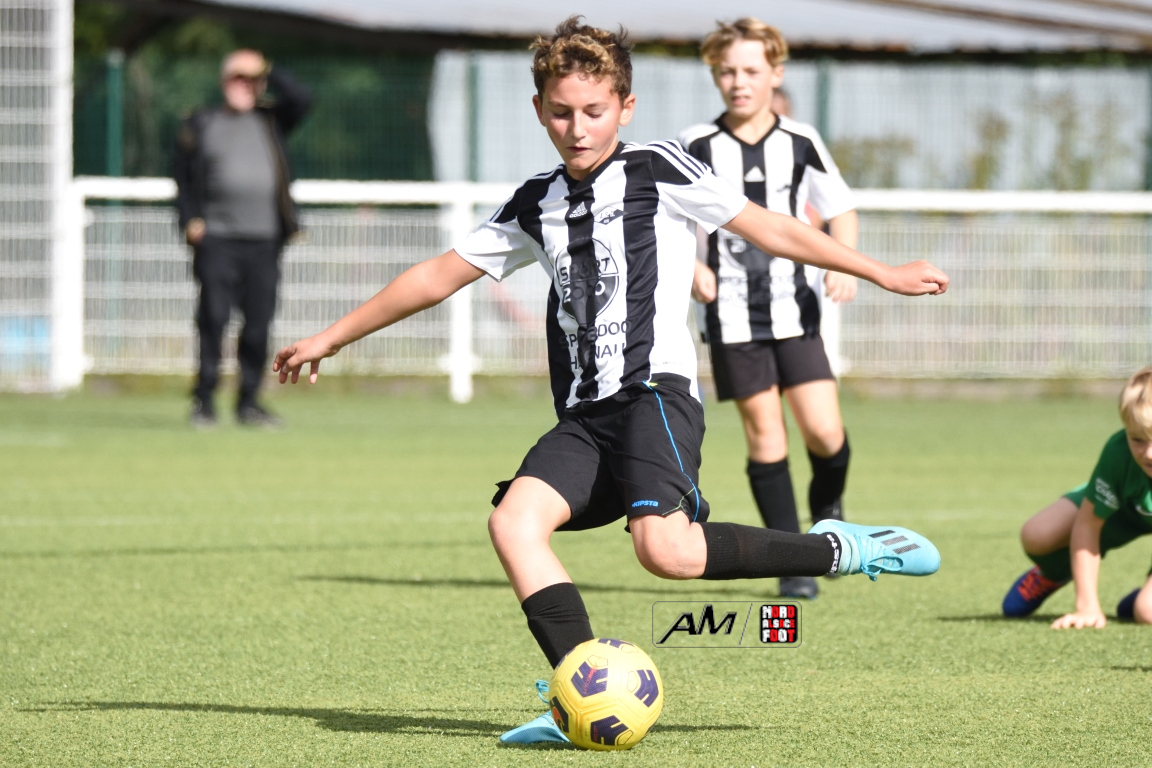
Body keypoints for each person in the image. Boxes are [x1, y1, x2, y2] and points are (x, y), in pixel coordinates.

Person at [272, 17, 947, 746]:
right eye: (561, 112)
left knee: (666, 552)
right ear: (540, 110)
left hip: (655, 395)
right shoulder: (534, 202)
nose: (577, 128)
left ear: (625, 107)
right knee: (513, 523)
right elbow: (439, 275)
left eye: (594, 111)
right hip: (585, 418)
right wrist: (332, 336)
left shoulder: (660, 168)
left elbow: (768, 227)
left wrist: (879, 271)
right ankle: (579, 692)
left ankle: (841, 548)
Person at [678, 19, 858, 600]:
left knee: (825, 432)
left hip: (795, 310)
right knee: (766, 435)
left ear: (775, 74)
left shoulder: (801, 141)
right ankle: (795, 563)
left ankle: (828, 508)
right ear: (715, 76)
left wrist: (842, 262)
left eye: (751, 71)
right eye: (727, 71)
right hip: (731, 317)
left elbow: (840, 208)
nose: (739, 82)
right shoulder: (694, 145)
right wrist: (693, 267)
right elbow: (665, 222)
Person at [173, 49, 312, 428]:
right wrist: (189, 219)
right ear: (223, 82)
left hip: (264, 240)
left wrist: (266, 68)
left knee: (258, 324)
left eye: (252, 79)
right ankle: (204, 400)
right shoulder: (202, 122)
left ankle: (249, 401)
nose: (244, 86)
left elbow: (302, 98)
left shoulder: (271, 120)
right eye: (237, 77)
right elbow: (182, 178)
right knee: (213, 318)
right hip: (217, 238)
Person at [1002, 366, 1152, 628]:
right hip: (1125, 509)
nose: (1148, 453)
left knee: (1146, 612)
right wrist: (1087, 607)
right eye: (1137, 439)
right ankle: (1056, 572)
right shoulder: (1118, 453)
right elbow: (1088, 525)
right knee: (1037, 534)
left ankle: (1141, 600)